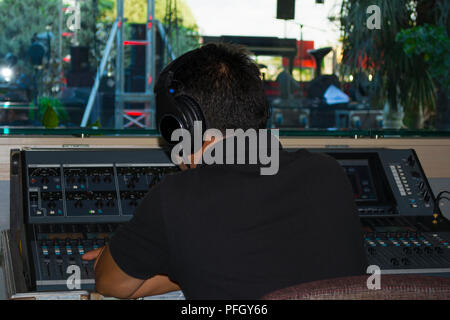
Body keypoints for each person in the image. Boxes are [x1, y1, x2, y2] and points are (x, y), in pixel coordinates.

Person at [82, 43, 368, 299]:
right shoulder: (328, 174)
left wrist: (116, 257)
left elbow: (111, 285)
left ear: (181, 125)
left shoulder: (177, 198)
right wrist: (179, 266)